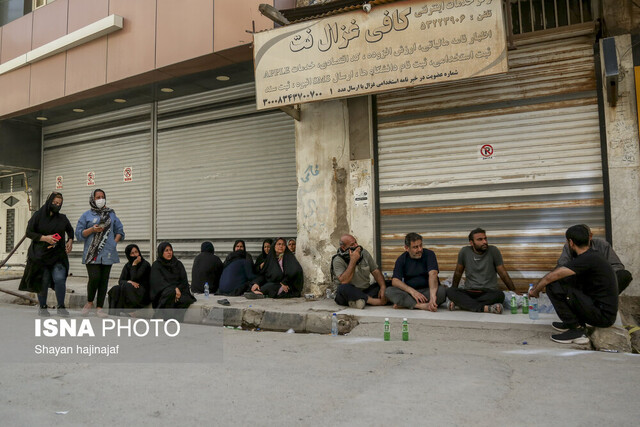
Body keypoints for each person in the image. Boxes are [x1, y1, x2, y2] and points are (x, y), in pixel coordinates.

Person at [531, 225, 618, 344]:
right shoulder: (593, 256)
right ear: (589, 239)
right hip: (602, 312)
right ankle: (571, 322)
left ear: (571, 243)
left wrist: (535, 291)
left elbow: (551, 277)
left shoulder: (587, 259)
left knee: (553, 284)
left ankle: (576, 329)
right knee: (567, 281)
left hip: (603, 317)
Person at [19, 192, 74, 317]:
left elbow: (70, 231)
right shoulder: (38, 216)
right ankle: (42, 307)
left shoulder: (62, 218)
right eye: (55, 203)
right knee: (43, 281)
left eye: (59, 204)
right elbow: (29, 232)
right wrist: (45, 238)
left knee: (60, 279)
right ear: (49, 201)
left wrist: (70, 241)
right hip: (40, 256)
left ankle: (61, 306)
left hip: (58, 255)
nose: (57, 205)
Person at [75, 189, 124, 318]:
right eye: (98, 197)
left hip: (108, 252)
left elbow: (120, 230)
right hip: (92, 253)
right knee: (94, 277)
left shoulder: (111, 214)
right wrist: (92, 229)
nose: (100, 199)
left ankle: (100, 308)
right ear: (92, 199)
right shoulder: (86, 215)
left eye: (103, 197)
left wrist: (114, 242)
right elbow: (79, 234)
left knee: (104, 280)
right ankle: (89, 302)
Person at [447, 228, 517, 314]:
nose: (485, 242)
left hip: (488, 292)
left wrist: (513, 290)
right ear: (471, 243)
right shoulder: (464, 251)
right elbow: (458, 272)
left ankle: (463, 304)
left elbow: (502, 273)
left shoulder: (493, 251)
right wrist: (454, 289)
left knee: (500, 295)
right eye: (480, 239)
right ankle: (486, 308)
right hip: (470, 291)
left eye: (485, 238)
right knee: (450, 291)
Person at [556, 224, 633, 295]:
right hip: (580, 282)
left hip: (601, 282)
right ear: (571, 242)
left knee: (624, 275)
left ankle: (604, 299)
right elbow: (561, 267)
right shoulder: (569, 246)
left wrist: (602, 275)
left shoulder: (602, 245)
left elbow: (617, 265)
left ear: (590, 236)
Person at [386, 233, 445, 311]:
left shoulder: (429, 254)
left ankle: (407, 304)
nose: (420, 249)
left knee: (442, 291)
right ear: (407, 248)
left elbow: (433, 274)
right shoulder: (401, 259)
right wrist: (413, 292)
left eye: (420, 246)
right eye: (415, 247)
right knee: (389, 291)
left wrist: (433, 296)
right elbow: (395, 281)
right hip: (411, 294)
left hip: (428, 291)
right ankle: (421, 306)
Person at [332, 234, 386, 309]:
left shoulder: (364, 253)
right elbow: (344, 281)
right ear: (343, 248)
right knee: (343, 288)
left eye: (356, 242)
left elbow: (375, 271)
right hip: (347, 294)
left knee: (389, 283)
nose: (356, 245)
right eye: (352, 244)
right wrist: (353, 261)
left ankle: (359, 301)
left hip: (365, 290)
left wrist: (383, 287)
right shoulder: (338, 260)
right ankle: (374, 301)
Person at [150, 242, 196, 321]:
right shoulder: (157, 265)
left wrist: (178, 290)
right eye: (166, 250)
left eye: (170, 250)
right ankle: (159, 316)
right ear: (161, 252)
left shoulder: (178, 264)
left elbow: (183, 281)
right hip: (163, 291)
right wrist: (174, 289)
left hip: (179, 291)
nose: (169, 252)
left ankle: (174, 320)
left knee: (184, 300)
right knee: (169, 293)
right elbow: (158, 282)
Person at [107, 244, 151, 316]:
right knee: (115, 289)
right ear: (128, 255)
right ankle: (113, 314)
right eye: (132, 253)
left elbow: (135, 278)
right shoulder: (127, 265)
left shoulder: (145, 264)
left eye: (136, 252)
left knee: (127, 286)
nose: (135, 255)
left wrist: (134, 264)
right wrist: (129, 281)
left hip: (143, 293)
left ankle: (131, 311)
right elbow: (120, 281)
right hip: (130, 291)